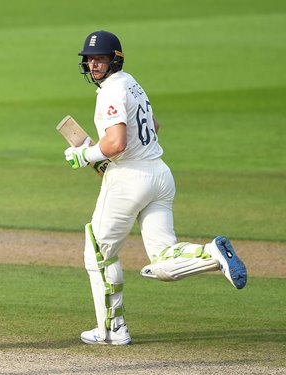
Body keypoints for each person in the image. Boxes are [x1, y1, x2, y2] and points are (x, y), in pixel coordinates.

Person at [64, 30, 248, 346]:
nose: (94, 65)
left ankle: (113, 330)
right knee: (163, 258)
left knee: (99, 252)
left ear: (114, 61)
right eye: (90, 59)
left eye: (100, 59)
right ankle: (210, 254)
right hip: (160, 175)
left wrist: (85, 154)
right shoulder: (132, 83)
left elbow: (116, 143)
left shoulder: (110, 92)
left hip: (128, 178)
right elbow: (154, 126)